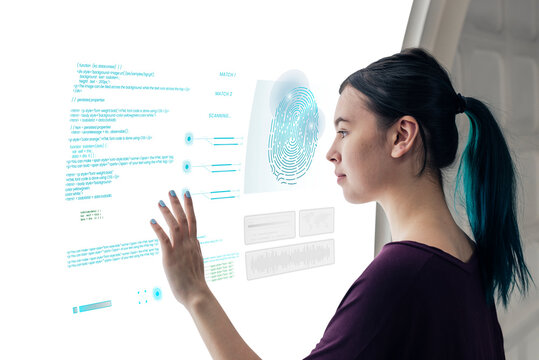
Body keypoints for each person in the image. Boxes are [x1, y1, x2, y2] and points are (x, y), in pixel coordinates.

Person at [149, 48, 534, 359]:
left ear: (402, 135)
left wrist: (195, 293)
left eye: (344, 131)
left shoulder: (400, 275)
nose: (331, 153)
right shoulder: (465, 255)